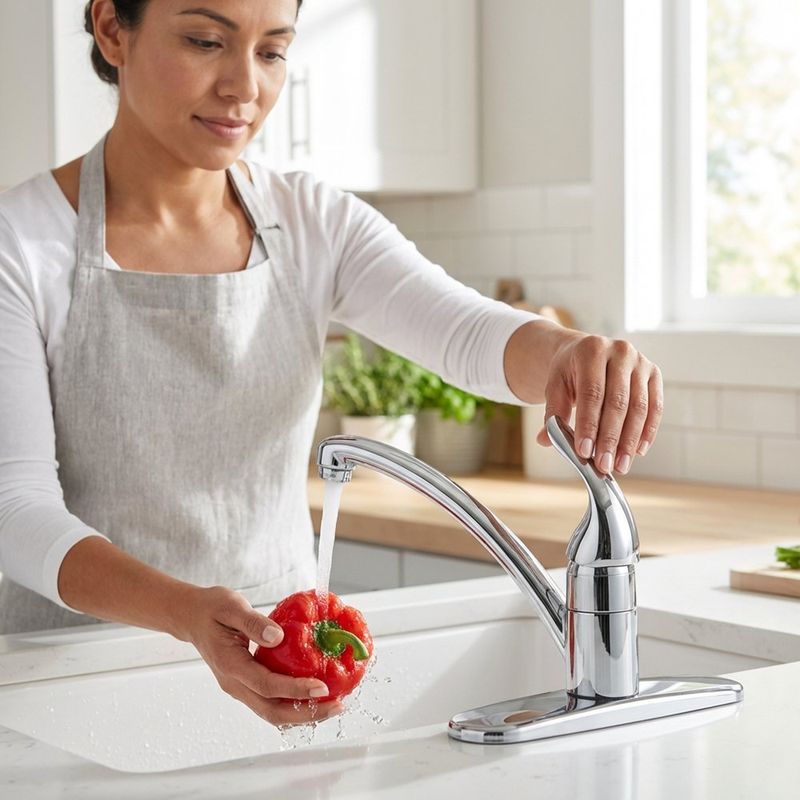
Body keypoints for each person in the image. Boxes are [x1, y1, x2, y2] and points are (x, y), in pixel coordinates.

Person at [0, 0, 663, 727]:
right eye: (205, 41)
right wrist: (186, 613)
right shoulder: (23, 242)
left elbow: (466, 332)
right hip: (67, 690)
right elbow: (16, 509)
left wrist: (569, 355)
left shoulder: (313, 221)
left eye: (272, 51)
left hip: (285, 679)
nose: (244, 87)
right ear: (110, 28)